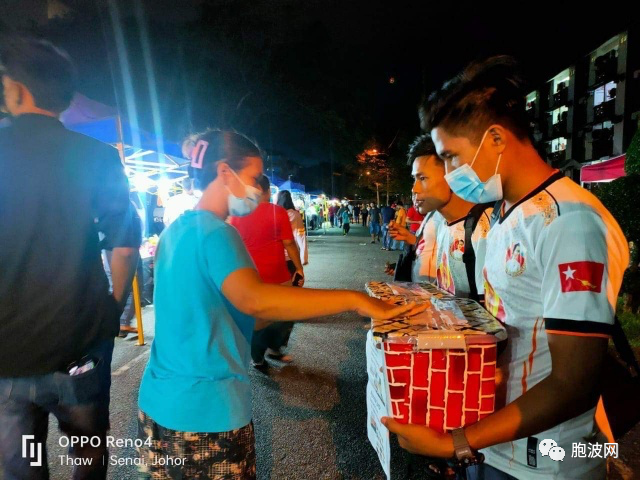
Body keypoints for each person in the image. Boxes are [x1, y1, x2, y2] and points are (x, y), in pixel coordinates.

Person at [384, 56, 629, 480]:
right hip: (493, 445)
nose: (447, 172)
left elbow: (574, 384)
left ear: (495, 138)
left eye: (451, 157)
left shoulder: (570, 223)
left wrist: (453, 441)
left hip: (547, 464)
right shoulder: (503, 216)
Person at [137, 129, 425, 479]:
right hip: (207, 412)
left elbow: (221, 312)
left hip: (156, 404)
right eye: (254, 177)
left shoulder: (174, 231)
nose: (258, 187)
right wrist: (354, 300)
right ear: (225, 172)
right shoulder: (218, 233)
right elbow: (256, 301)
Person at [0, 37, 141, 479]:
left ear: (18, 89)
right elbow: (123, 244)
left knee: (24, 463)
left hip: (8, 354)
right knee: (87, 454)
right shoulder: (96, 157)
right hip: (80, 343)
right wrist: (111, 310)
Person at [230, 176, 305, 368]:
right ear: (268, 191)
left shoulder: (235, 214)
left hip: (249, 277)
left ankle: (257, 357)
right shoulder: (277, 212)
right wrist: (298, 268)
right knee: (285, 313)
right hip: (277, 274)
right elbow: (289, 243)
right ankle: (274, 348)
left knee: (257, 319)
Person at [277, 190, 308, 270]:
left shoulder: (275, 214)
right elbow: (301, 236)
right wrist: (304, 258)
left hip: (276, 255)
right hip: (291, 256)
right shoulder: (295, 215)